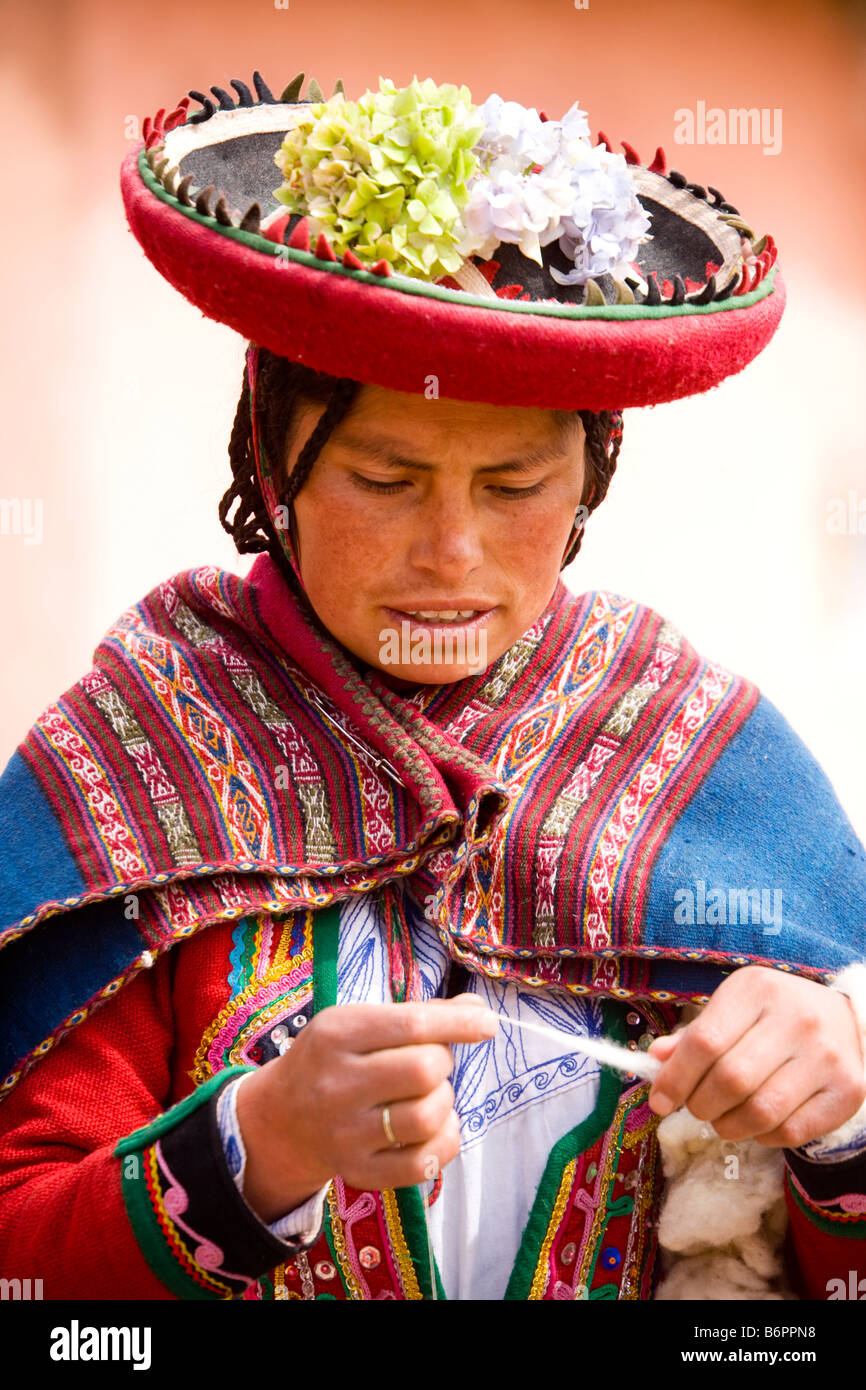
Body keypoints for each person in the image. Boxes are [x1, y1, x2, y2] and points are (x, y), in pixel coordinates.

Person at [1, 69, 865, 1303]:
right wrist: (257, 1146)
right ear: (274, 459)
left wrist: (840, 1114)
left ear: (588, 481)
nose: (449, 555)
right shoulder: (138, 766)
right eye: (387, 480)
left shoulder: (706, 764)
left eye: (512, 488)